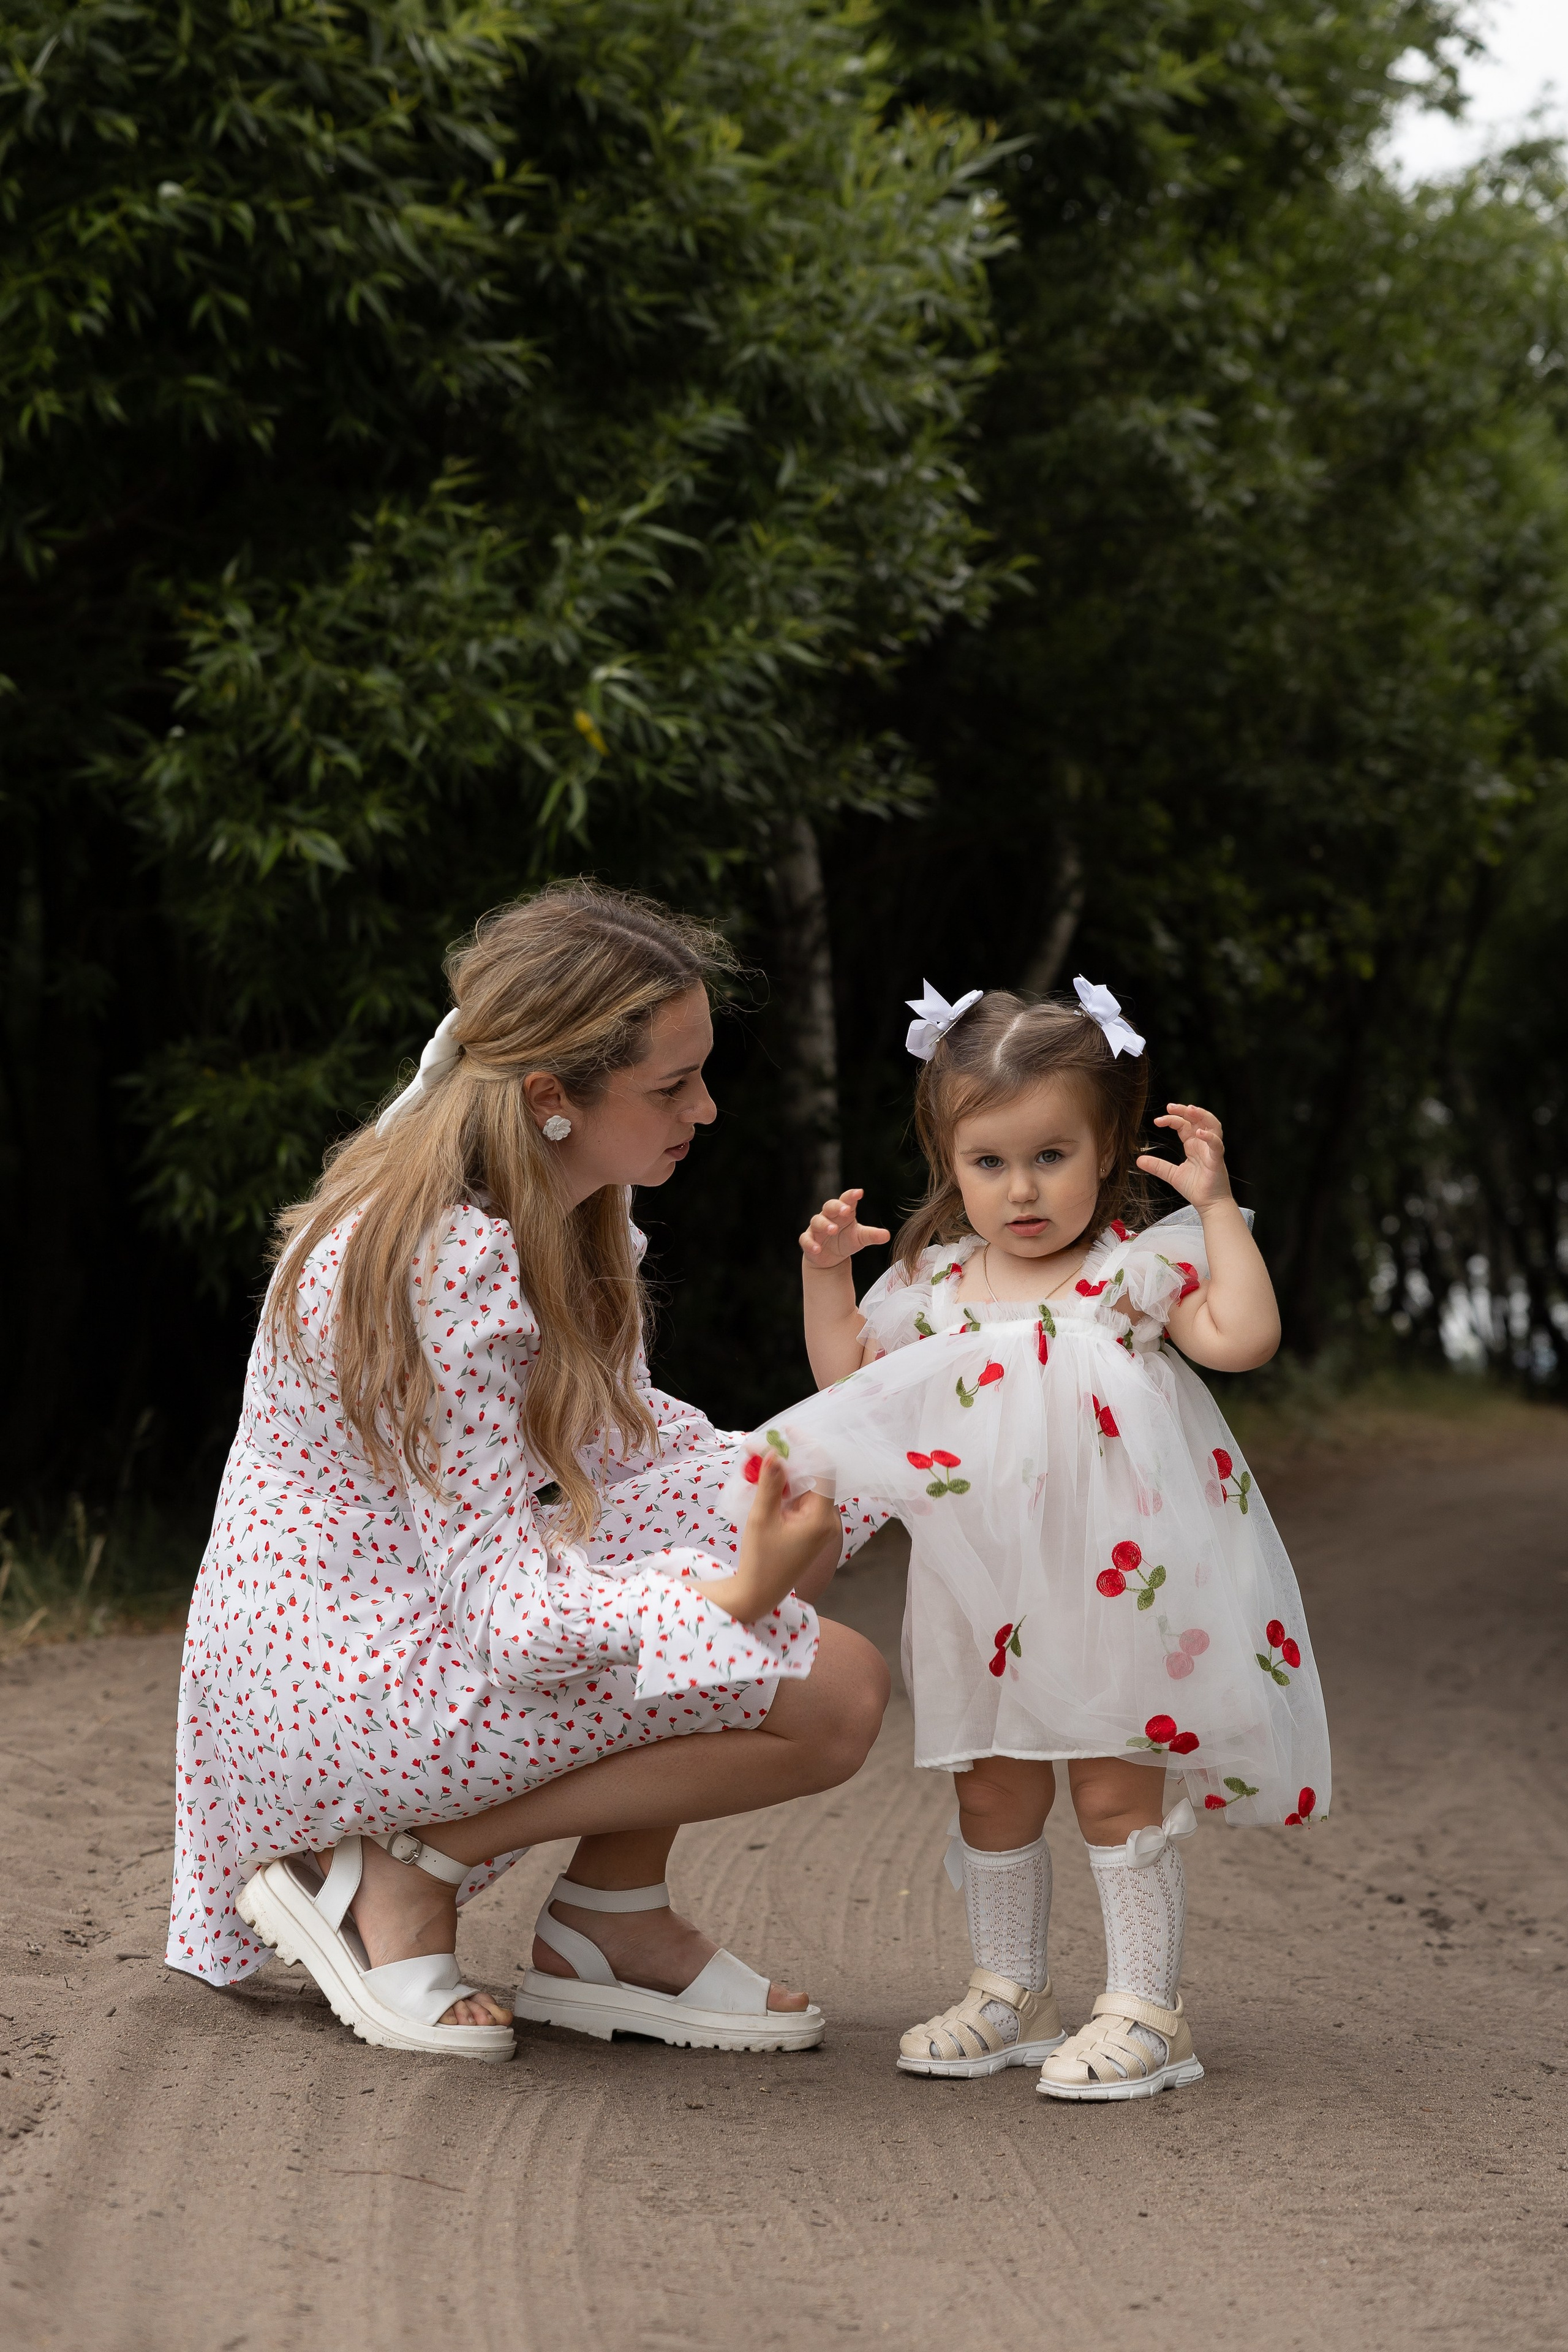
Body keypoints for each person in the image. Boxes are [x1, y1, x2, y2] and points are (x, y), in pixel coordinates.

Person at [166, 883, 890, 2062]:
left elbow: (622, 1450)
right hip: (331, 1674)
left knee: (768, 1515)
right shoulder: (434, 1257)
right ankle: (400, 1878)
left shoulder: (559, 1206)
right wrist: (727, 1600)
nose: (707, 1108)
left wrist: (885, 1442)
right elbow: (508, 1612)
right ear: (552, 1097)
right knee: (831, 1689)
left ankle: (610, 1922)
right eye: (671, 1086)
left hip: (409, 1610)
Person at [723, 978, 1330, 2101]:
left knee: (1113, 1786)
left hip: (1119, 1581)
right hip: (980, 1588)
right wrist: (826, 1278)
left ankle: (1149, 2008)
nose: (1022, 1188)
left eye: (1052, 1155)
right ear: (949, 1160)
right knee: (992, 1789)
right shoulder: (936, 1285)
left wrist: (1222, 1206)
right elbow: (853, 1384)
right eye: (990, 1161)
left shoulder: (1135, 1271)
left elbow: (1242, 1340)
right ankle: (1010, 1990)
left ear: (1106, 1149)